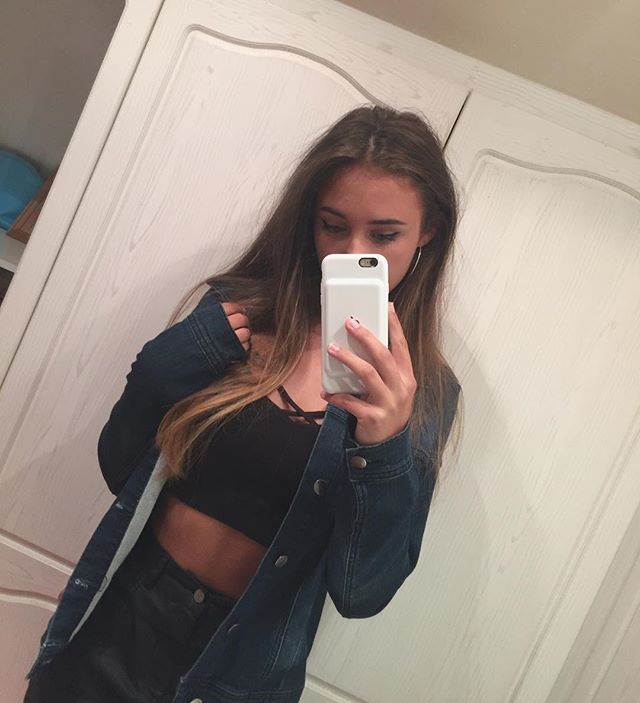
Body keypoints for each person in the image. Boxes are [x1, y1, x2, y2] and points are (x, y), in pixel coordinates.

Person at [23, 103, 463, 703]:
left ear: (428, 231)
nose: (349, 251)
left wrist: (383, 452)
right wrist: (158, 372)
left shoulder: (423, 395)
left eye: (384, 235)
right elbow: (118, 466)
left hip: (241, 669)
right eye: (332, 225)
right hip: (120, 625)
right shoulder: (236, 316)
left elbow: (362, 592)